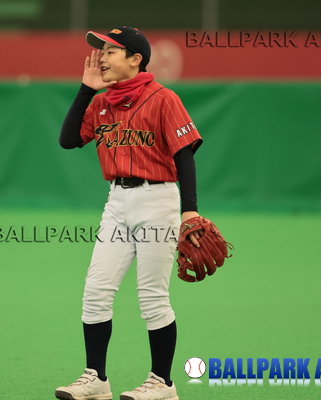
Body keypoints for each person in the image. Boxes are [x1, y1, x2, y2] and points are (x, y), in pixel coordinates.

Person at [55, 26, 203, 400]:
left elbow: (184, 155)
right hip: (117, 202)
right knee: (95, 290)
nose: (102, 57)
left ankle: (162, 383)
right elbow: (68, 140)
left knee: (152, 296)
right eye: (101, 51)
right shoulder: (101, 103)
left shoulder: (164, 98)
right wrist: (86, 90)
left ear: (136, 59)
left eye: (111, 51)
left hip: (158, 200)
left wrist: (190, 212)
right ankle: (95, 379)